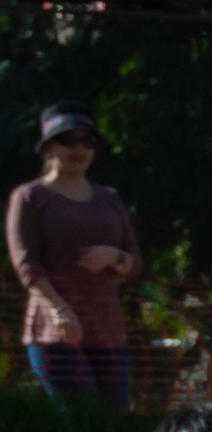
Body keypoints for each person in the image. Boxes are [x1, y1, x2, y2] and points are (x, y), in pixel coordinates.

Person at [8, 105, 135, 408]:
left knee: (115, 425)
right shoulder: (30, 197)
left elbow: (134, 261)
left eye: (87, 141)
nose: (79, 149)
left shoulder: (109, 198)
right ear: (48, 148)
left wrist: (114, 257)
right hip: (56, 332)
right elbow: (26, 265)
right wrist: (59, 310)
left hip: (108, 332)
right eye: (68, 141)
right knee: (81, 418)